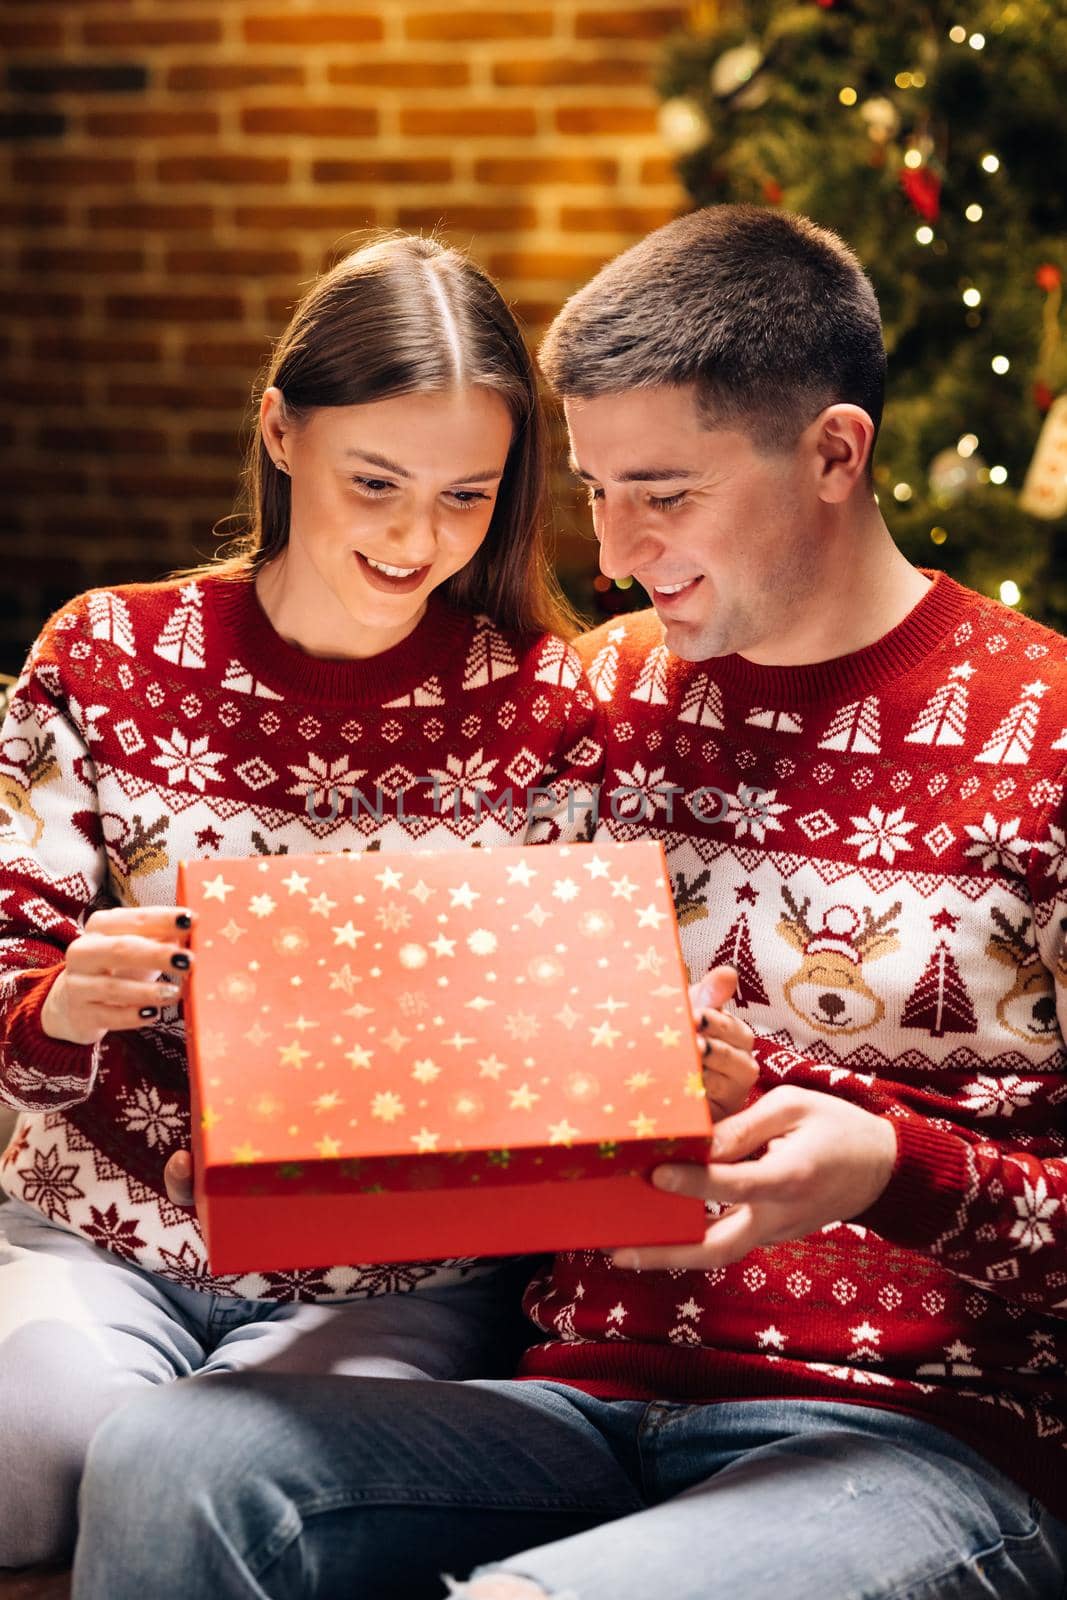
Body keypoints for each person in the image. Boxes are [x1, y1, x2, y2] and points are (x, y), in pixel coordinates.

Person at [73, 202, 1067, 1600]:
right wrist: (277, 1157)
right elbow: (451, 1043)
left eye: (662, 492)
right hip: (572, 1404)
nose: (610, 551)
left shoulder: (1051, 729)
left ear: (836, 452)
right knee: (171, 1460)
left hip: (915, 1441)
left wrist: (889, 1168)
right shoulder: (590, 701)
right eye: (594, 490)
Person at [0, 230, 758, 1570]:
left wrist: (649, 1068)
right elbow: (10, 965)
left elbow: (582, 1045)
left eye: (468, 497)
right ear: (281, 434)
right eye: (377, 483)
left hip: (396, 1281)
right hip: (98, 1237)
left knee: (188, 1471)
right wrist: (60, 1008)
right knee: (28, 1443)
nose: (419, 538)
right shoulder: (105, 655)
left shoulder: (543, 707)